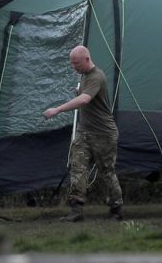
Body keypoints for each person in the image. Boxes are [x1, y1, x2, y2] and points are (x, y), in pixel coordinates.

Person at [43, 45, 124, 222]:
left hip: (104, 134)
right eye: (72, 63)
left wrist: (57, 109)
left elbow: (84, 99)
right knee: (77, 169)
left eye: (76, 63)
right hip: (84, 132)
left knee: (106, 172)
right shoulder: (84, 75)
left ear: (87, 59)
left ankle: (116, 209)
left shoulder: (97, 76)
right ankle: (76, 210)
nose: (74, 67)